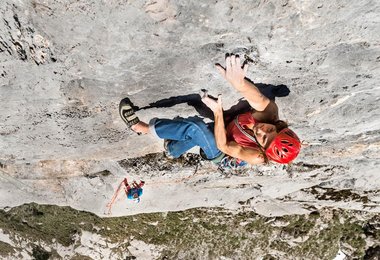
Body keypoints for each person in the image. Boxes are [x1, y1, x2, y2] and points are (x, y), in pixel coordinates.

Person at [120, 55, 301, 165]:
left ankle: (143, 130)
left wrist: (217, 111)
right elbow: (258, 98)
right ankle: (174, 148)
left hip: (220, 152)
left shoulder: (255, 156)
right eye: (269, 130)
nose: (261, 130)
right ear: (277, 126)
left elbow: (222, 145)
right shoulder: (270, 114)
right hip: (225, 130)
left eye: (263, 138)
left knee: (197, 128)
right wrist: (238, 83)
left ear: (263, 150)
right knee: (198, 133)